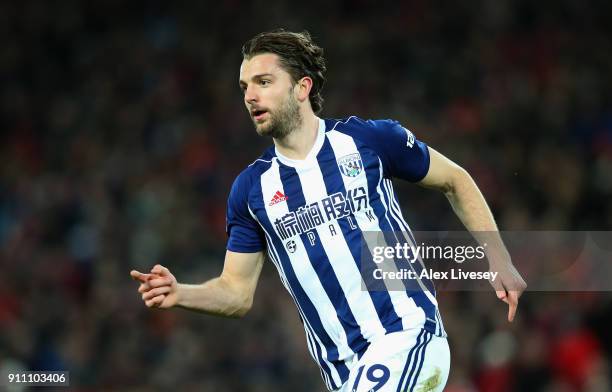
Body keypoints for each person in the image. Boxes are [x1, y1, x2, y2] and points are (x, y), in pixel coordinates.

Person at [130, 30, 526, 392]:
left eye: (263, 82)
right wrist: (182, 293)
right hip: (346, 376)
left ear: (302, 87)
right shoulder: (250, 191)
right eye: (244, 86)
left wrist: (499, 258)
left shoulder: (368, 140)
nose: (250, 96)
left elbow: (455, 179)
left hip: (407, 337)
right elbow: (236, 293)